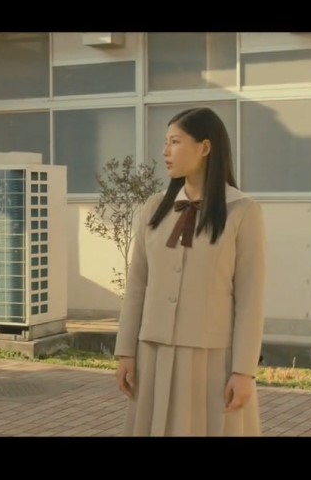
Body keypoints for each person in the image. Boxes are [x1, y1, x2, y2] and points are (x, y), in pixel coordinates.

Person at [113, 107, 267, 436]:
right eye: (165, 142)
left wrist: (244, 371)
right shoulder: (155, 207)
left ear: (205, 147)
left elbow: (250, 298)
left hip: (211, 360)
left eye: (175, 141)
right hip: (153, 353)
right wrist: (126, 351)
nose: (165, 151)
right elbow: (137, 284)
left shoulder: (243, 211)